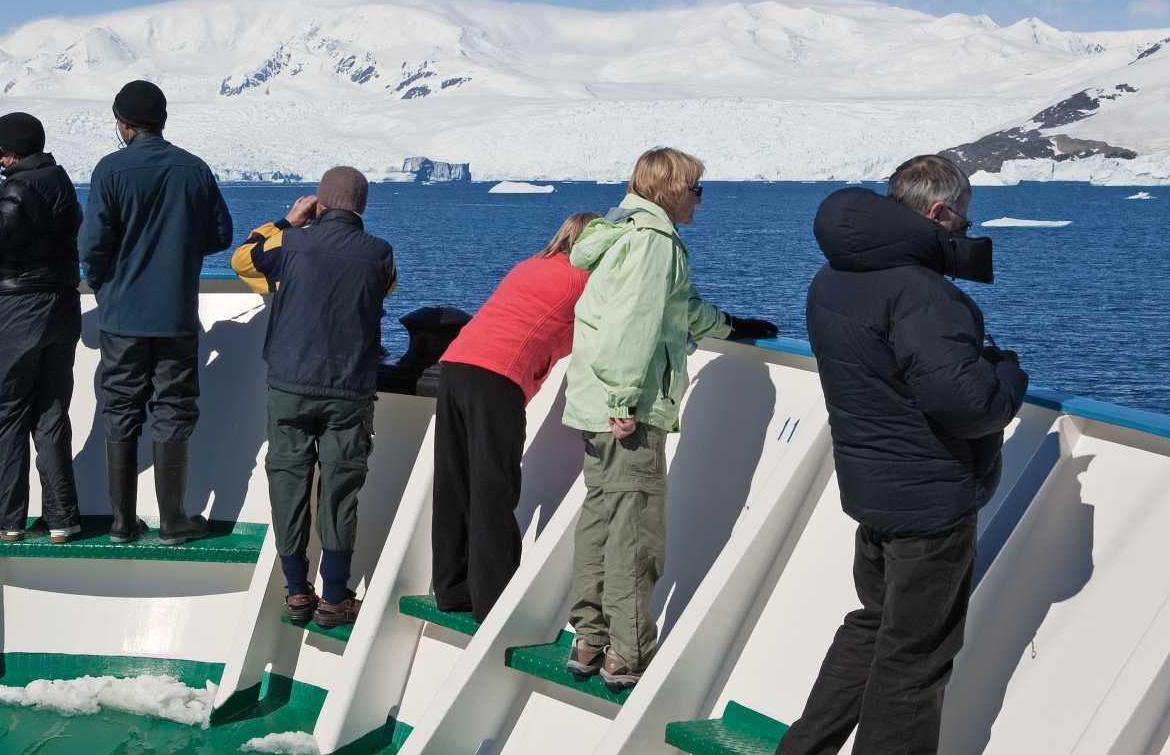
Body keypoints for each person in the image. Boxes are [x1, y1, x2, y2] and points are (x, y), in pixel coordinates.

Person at [777, 155, 1028, 755]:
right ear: (939, 213)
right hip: (929, 504)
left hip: (872, 489)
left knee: (874, 626)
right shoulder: (922, 294)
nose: (967, 230)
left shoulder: (833, 276)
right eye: (964, 219)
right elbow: (970, 406)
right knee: (914, 660)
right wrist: (1006, 373)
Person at [560, 148, 779, 688]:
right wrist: (625, 403)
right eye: (697, 188)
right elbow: (633, 326)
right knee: (635, 528)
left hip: (595, 402)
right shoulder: (655, 243)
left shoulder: (621, 232)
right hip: (626, 410)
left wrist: (729, 324)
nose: (701, 199)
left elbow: (676, 309)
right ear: (673, 190)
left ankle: (589, 637)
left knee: (602, 518)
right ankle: (628, 650)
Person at [231, 166, 396, 628]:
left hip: (290, 385)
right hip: (349, 389)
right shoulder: (380, 252)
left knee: (288, 483)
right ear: (362, 206)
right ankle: (335, 597)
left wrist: (287, 221)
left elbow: (242, 261)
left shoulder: (290, 244)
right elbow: (384, 290)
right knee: (340, 491)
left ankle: (297, 590)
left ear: (318, 203)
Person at [78, 80, 234, 545]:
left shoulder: (110, 170)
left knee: (120, 408)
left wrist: (106, 287)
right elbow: (221, 234)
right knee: (173, 408)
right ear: (162, 120)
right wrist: (180, 248)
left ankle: (122, 522)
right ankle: (173, 521)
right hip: (175, 315)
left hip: (121, 315)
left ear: (123, 125)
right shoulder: (194, 168)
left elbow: (92, 245)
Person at [431, 212, 598, 622]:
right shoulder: (584, 281)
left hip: (456, 366)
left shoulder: (529, 266)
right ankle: (494, 601)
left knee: (455, 482)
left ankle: (451, 588)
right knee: (494, 486)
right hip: (497, 378)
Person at [0, 112, 83, 543]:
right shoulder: (60, 181)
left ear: (6, 153)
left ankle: (8, 519)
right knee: (51, 412)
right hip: (62, 304)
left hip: (20, 308)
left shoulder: (18, 186)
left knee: (7, 412)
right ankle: (62, 517)